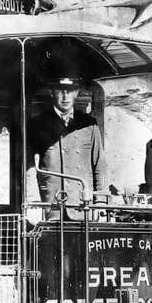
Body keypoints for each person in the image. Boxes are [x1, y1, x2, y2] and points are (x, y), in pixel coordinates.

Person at [28, 77, 106, 211]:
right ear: (52, 93)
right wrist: (33, 203)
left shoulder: (89, 125)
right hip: (50, 205)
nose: (65, 96)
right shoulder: (37, 124)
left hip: (82, 205)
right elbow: (29, 167)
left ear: (76, 93)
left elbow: (99, 165)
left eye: (70, 91)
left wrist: (101, 202)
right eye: (60, 90)